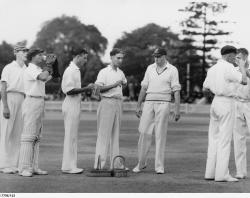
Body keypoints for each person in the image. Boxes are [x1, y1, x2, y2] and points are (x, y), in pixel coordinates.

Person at [133, 47, 181, 174]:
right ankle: (141, 163)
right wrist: (138, 106)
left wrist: (177, 109)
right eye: (155, 56)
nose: (157, 59)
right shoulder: (150, 68)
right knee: (143, 133)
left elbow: (176, 90)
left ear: (165, 56)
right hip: (148, 102)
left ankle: (159, 166)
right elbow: (143, 88)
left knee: (160, 135)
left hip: (164, 103)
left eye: (159, 56)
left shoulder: (172, 69)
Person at [203, 45, 247, 182]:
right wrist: (242, 66)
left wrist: (219, 88)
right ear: (229, 56)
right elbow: (244, 80)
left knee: (214, 138)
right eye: (234, 56)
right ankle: (222, 174)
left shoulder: (213, 68)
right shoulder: (228, 67)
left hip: (215, 102)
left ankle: (210, 173)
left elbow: (206, 87)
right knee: (224, 140)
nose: (235, 59)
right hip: (226, 102)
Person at [18, 48, 54, 177]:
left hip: (39, 101)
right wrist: (48, 65)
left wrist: (53, 65)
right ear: (32, 57)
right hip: (31, 101)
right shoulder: (30, 69)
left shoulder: (38, 69)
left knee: (37, 137)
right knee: (28, 136)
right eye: (39, 55)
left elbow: (48, 77)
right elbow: (44, 76)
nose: (42, 57)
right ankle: (23, 168)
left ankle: (34, 167)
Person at [61, 48, 95, 174]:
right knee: (70, 136)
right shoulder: (71, 70)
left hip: (75, 104)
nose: (86, 61)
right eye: (84, 58)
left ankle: (70, 165)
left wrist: (86, 89)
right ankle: (68, 167)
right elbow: (69, 91)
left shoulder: (76, 70)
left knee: (73, 136)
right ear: (78, 56)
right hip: (70, 104)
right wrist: (87, 88)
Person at [94, 48, 127, 169]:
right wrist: (114, 85)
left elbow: (124, 82)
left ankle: (116, 164)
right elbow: (97, 89)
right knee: (103, 135)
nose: (120, 60)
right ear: (111, 57)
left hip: (118, 103)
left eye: (122, 58)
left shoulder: (121, 72)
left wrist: (123, 83)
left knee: (115, 135)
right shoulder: (104, 72)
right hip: (107, 102)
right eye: (118, 58)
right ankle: (99, 166)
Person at [0, 42, 28, 174]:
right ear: (16, 53)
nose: (25, 53)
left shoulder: (26, 69)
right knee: (6, 132)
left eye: (26, 51)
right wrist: (5, 106)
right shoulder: (9, 67)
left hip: (22, 98)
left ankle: (12, 163)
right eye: (22, 51)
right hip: (9, 98)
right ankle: (3, 164)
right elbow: (3, 87)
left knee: (17, 133)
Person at [232, 48, 250, 179]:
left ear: (245, 58)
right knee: (239, 139)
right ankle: (241, 171)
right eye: (235, 58)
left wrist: (244, 68)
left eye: (238, 58)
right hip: (236, 105)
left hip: (249, 104)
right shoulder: (233, 72)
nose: (236, 60)